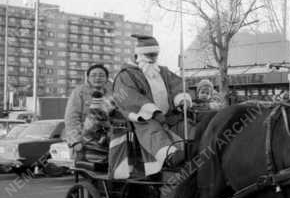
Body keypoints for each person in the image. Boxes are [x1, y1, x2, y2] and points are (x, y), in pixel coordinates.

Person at [112, 34, 194, 177]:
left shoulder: (164, 72)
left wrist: (182, 100)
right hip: (143, 118)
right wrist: (154, 112)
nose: (152, 57)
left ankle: (198, 149)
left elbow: (177, 87)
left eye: (155, 54)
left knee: (187, 124)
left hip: (169, 115)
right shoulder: (125, 75)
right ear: (138, 55)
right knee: (150, 128)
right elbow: (130, 98)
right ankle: (170, 156)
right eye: (149, 54)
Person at [64, 64, 116, 163]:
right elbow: (71, 119)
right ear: (87, 78)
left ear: (106, 78)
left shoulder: (111, 94)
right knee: (88, 172)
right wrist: (76, 141)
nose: (98, 78)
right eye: (93, 75)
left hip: (107, 142)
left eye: (101, 75)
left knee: (106, 172)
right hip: (85, 143)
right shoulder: (79, 92)